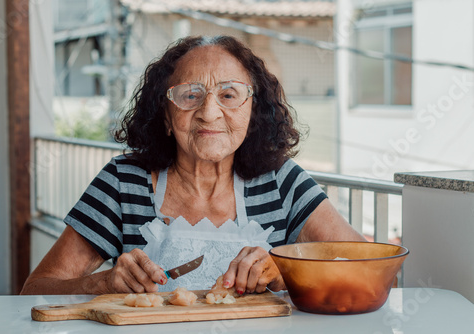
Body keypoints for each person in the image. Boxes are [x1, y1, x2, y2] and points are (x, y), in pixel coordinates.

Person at [21, 35, 364, 296]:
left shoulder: (282, 182)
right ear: (166, 117)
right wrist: (101, 283)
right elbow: (34, 290)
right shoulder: (123, 182)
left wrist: (286, 271)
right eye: (190, 96)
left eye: (229, 95)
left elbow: (369, 269)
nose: (209, 113)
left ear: (252, 112)